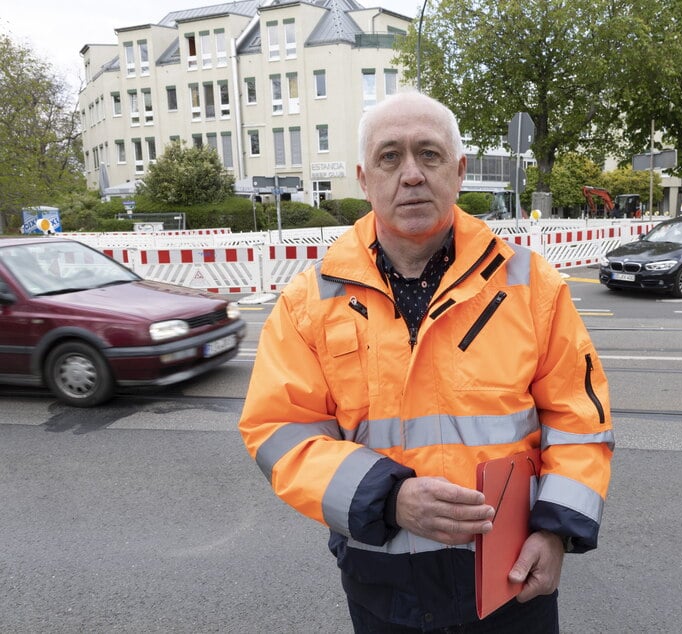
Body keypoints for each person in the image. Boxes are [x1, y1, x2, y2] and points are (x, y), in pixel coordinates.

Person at [238, 91, 613, 633]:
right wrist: (390, 498)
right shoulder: (308, 304)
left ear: (459, 171)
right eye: (390, 157)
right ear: (365, 180)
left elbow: (579, 419)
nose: (411, 174)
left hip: (511, 580)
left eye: (429, 154)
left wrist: (555, 532)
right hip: (383, 584)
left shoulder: (531, 286)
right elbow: (280, 432)